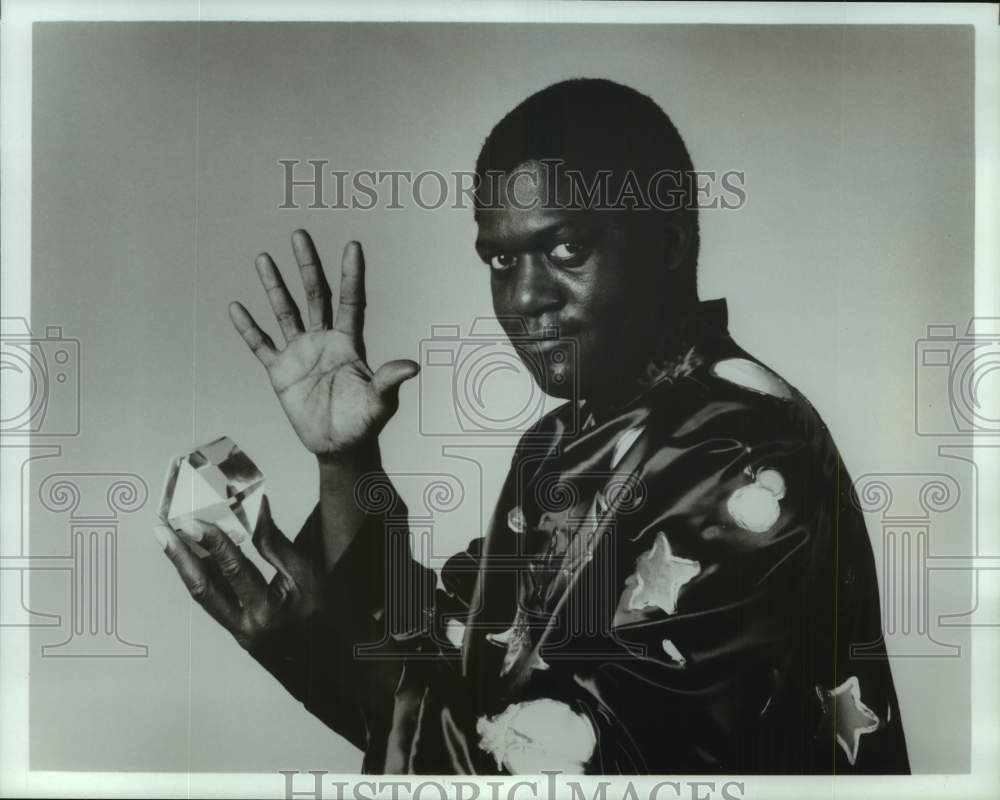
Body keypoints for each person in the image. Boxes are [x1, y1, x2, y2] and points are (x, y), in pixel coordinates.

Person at [153, 78, 910, 774]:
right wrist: (348, 461)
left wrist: (305, 645)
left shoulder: (741, 445)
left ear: (668, 242)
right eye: (499, 260)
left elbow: (593, 762)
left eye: (566, 249)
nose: (524, 299)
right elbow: (447, 655)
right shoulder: (560, 442)